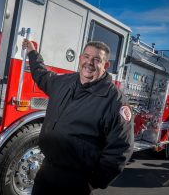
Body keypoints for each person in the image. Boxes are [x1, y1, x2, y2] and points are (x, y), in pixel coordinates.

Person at [22, 40, 134, 195]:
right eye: (86, 57)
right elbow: (41, 74)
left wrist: (93, 183)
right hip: (46, 171)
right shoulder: (64, 82)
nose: (89, 62)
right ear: (80, 58)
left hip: (76, 182)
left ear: (106, 65)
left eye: (96, 59)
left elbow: (120, 149)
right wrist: (32, 53)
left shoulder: (115, 101)